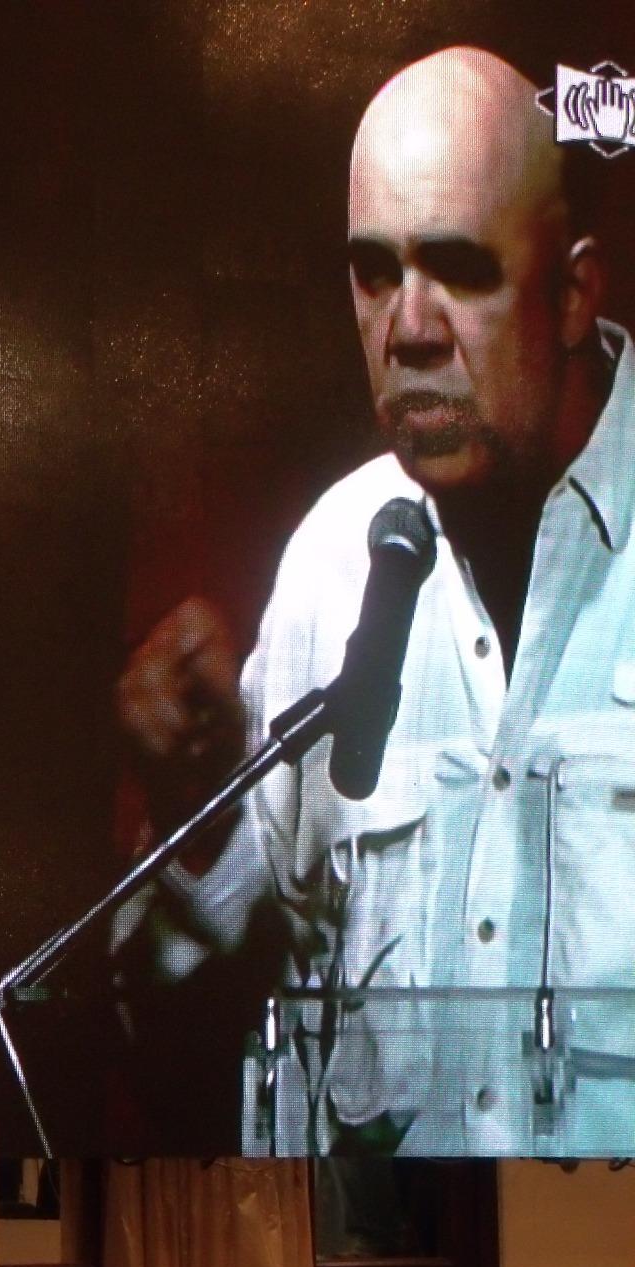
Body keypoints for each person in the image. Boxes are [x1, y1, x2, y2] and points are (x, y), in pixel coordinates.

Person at [119, 47, 635, 1156]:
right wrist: (192, 810)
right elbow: (181, 1016)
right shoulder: (329, 560)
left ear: (572, 292)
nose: (408, 328)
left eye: (459, 269)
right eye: (372, 273)